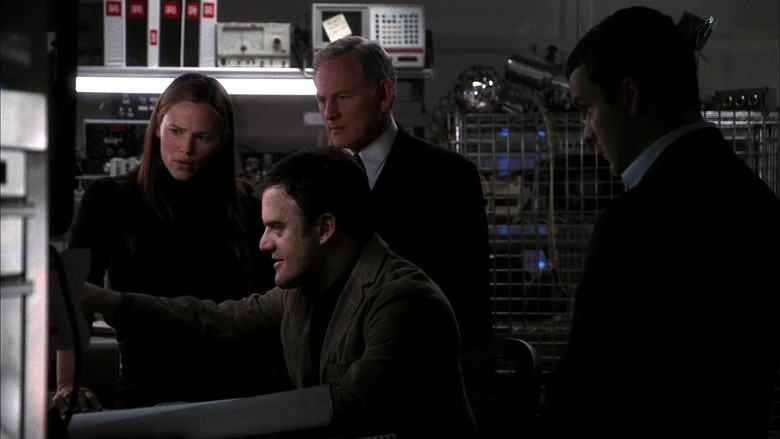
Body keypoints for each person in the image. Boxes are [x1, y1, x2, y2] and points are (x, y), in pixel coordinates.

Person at [80, 147, 478, 438]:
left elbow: (348, 411)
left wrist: (207, 420)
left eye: (277, 228)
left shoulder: (404, 302)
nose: (263, 243)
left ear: (325, 229)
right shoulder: (301, 292)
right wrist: (111, 302)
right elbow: (218, 321)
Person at [541, 6, 780, 438]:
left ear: (630, 96)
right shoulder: (757, 199)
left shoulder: (635, 221)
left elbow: (586, 389)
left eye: (586, 108)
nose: (586, 134)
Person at [53, 73, 279, 412]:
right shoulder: (107, 198)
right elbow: (72, 294)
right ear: (158, 125)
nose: (186, 149)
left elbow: (269, 312)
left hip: (233, 395)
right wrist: (67, 384)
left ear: (221, 140)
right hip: (144, 392)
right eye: (176, 131)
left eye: (202, 137)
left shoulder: (250, 206)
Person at [312, 36, 493, 353]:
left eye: (342, 97)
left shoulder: (449, 176)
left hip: (419, 362)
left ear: (383, 95)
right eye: (321, 100)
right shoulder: (315, 179)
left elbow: (470, 298)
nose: (329, 113)